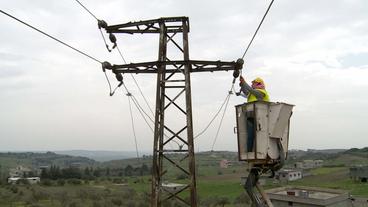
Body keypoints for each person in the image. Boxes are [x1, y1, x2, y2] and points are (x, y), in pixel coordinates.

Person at [238, 76, 270, 152]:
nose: (252, 84)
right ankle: (250, 152)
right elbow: (247, 92)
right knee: (250, 136)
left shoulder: (262, 92)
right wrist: (242, 86)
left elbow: (251, 90)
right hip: (251, 116)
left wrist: (244, 83)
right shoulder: (252, 93)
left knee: (258, 135)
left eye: (253, 83)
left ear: (258, 84)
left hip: (261, 117)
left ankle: (259, 151)